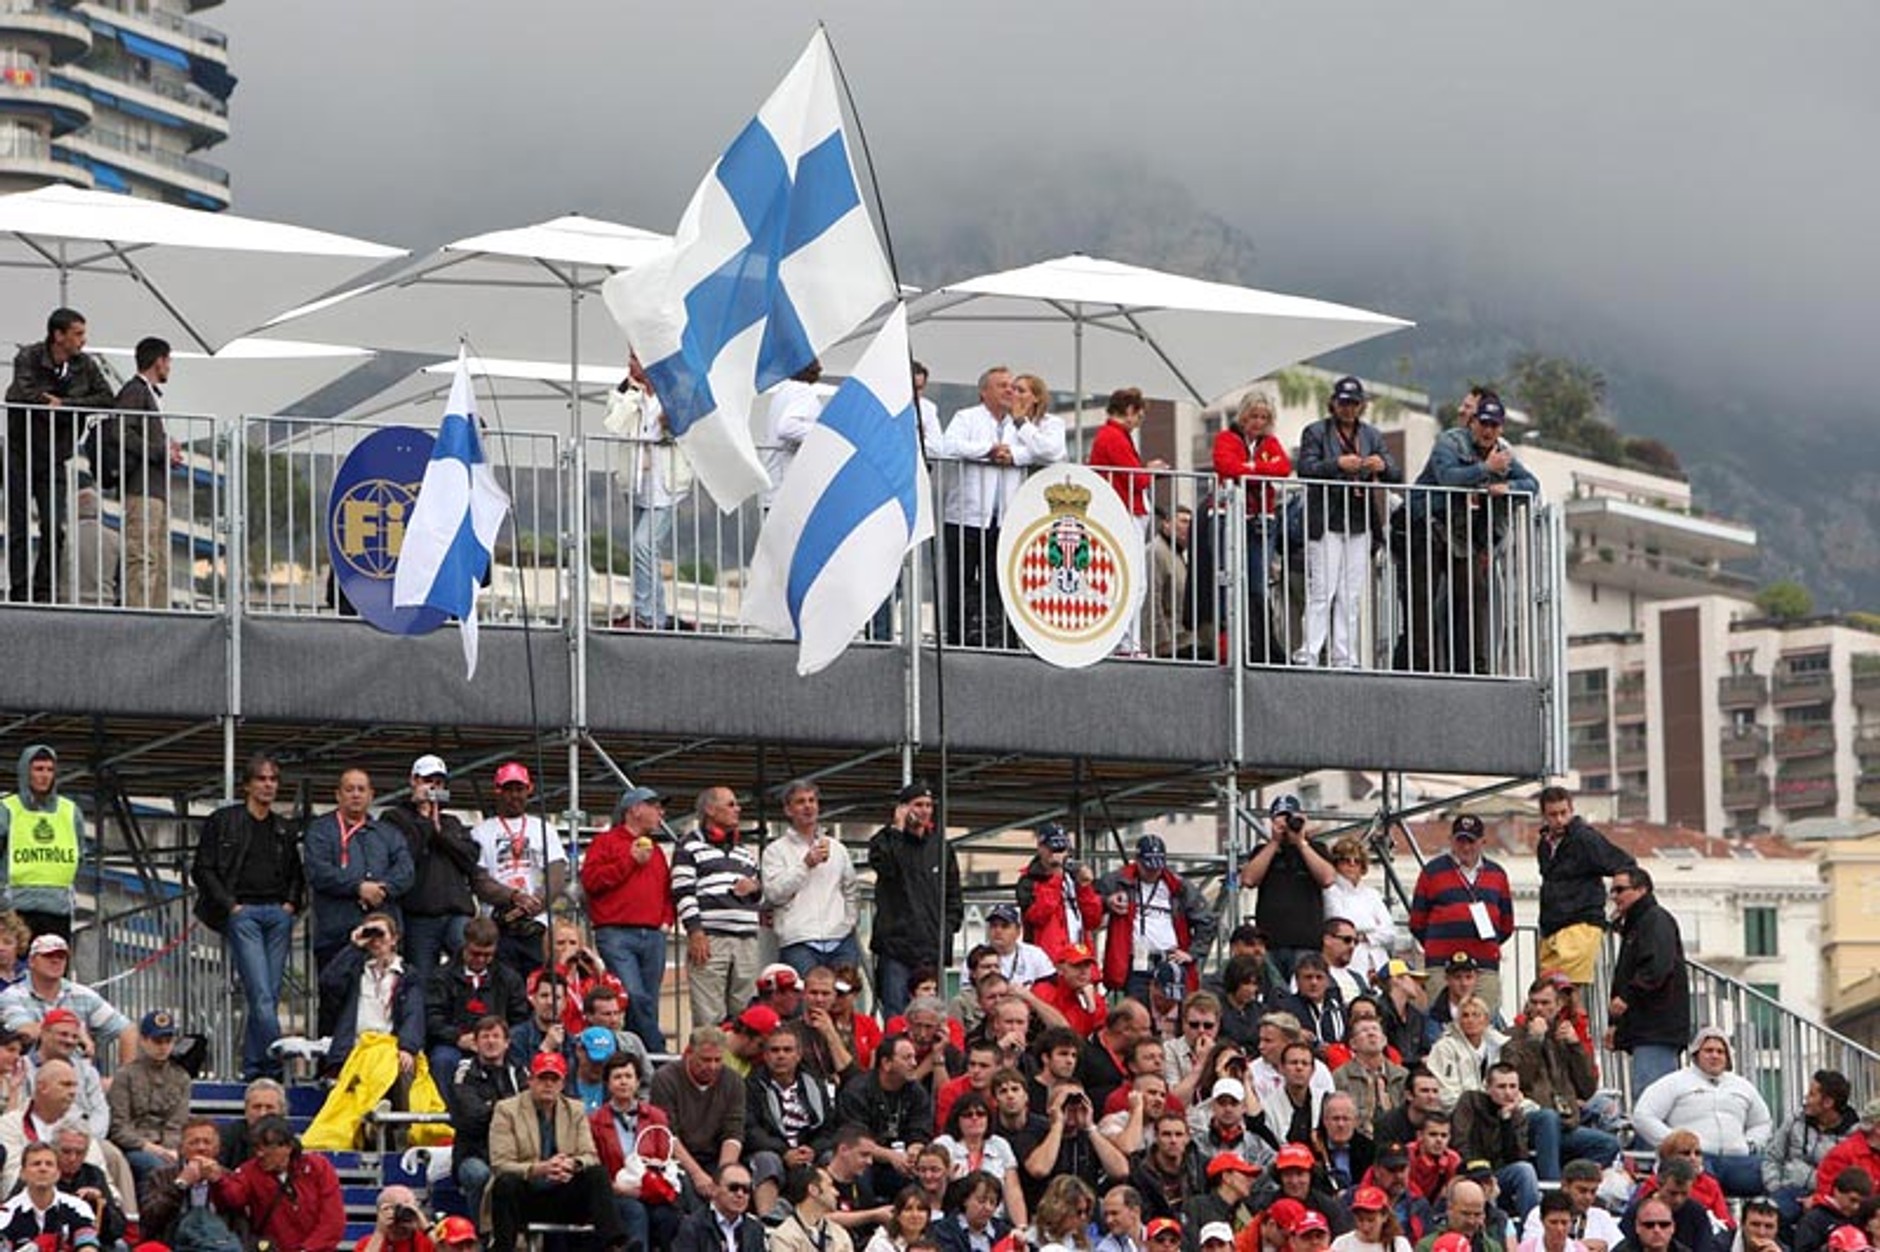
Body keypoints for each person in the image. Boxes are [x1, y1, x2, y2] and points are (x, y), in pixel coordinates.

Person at [192, 750, 304, 1081]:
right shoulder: (225, 820)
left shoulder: (284, 828)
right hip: (244, 914)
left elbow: (296, 873)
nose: (269, 786)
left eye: (273, 780)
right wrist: (230, 906)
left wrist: (291, 904)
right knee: (262, 994)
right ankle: (271, 1067)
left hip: (277, 914)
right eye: (262, 779)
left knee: (266, 995)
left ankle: (256, 1068)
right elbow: (203, 867)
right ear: (247, 785)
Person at [7, 308, 115, 604]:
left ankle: (43, 591)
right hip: (19, 452)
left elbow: (108, 397)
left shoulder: (85, 365)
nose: (83, 340)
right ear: (59, 335)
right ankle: (19, 590)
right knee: (17, 525)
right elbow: (23, 393)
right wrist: (52, 404)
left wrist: (65, 404)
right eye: (78, 333)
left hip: (55, 456)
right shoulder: (28, 357)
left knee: (54, 527)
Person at [1294, 376, 1397, 669]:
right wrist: (1337, 465)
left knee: (1350, 594)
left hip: (1359, 520)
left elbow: (1395, 473)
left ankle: (1344, 656)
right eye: (1343, 403)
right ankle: (1309, 653)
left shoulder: (1372, 435)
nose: (1348, 409)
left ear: (1361, 405)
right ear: (1333, 403)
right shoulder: (1315, 432)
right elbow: (1305, 468)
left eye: (1353, 403)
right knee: (1322, 591)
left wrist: (1382, 465)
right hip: (1326, 518)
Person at [381, 754, 513, 981]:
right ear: (414, 781)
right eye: (427, 780)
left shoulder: (452, 822)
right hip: (419, 915)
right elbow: (405, 856)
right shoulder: (394, 818)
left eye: (439, 782)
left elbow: (470, 857)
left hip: (456, 913)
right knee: (421, 979)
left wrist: (438, 830)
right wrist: (423, 819)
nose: (434, 786)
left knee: (471, 966)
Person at [304, 767, 413, 1034]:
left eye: (361, 789)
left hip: (382, 939)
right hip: (336, 935)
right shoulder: (321, 830)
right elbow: (318, 871)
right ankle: (332, 1065)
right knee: (334, 1001)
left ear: (371, 795)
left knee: (384, 1000)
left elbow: (406, 870)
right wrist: (357, 887)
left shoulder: (387, 833)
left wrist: (381, 890)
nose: (355, 795)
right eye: (349, 789)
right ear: (338, 795)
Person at [486, 1051, 621, 1252]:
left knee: (598, 1174)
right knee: (505, 1183)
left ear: (562, 1084)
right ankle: (503, 1248)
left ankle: (615, 1246)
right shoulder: (507, 1110)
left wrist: (572, 1164)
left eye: (554, 1079)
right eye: (542, 1078)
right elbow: (500, 1164)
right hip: (526, 1195)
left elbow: (590, 1155)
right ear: (530, 1080)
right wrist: (540, 1168)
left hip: (563, 1193)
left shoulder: (575, 1109)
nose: (548, 1084)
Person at [580, 784, 674, 1050]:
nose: (661, 813)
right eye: (655, 807)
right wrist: (629, 861)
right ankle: (655, 1050)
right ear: (635, 810)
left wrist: (666, 919)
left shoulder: (655, 851)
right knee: (633, 995)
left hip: (653, 933)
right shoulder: (605, 843)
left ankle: (635, 1054)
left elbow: (666, 891)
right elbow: (591, 881)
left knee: (648, 999)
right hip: (616, 932)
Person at [1632, 1028, 1772, 1197]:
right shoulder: (1675, 1081)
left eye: (1720, 1051)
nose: (1715, 1055)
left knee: (1773, 1177)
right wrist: (1675, 1143)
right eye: (1709, 1051)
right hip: (1698, 1159)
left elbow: (1762, 1122)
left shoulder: (1743, 1086)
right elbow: (1643, 1115)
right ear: (1696, 1054)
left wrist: (1751, 1144)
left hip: (1738, 1160)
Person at [1500, 978, 1617, 1180]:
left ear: (1558, 1005)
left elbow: (1587, 1088)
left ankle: (1572, 1186)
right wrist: (1534, 1041)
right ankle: (1551, 1190)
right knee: (1548, 1118)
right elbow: (1518, 1080)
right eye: (1534, 1002)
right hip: (1528, 1122)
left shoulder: (1563, 1036)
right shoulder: (1512, 1036)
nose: (1539, 1008)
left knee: (1608, 1144)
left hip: (1565, 1122)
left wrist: (1575, 1046)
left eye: (1545, 1003)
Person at [868, 782, 963, 1018]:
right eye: (918, 804)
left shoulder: (941, 847)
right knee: (896, 1013)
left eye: (928, 805)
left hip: (932, 949)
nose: (924, 810)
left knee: (932, 1015)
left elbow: (953, 893)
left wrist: (948, 927)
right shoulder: (884, 841)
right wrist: (897, 831)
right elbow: (887, 867)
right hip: (896, 949)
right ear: (903, 808)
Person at [672, 785, 764, 1028]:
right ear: (710, 810)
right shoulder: (688, 846)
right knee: (709, 1017)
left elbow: (761, 896)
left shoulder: (744, 852)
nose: (738, 809)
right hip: (711, 940)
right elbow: (682, 891)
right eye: (731, 804)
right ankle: (710, 1063)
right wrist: (695, 931)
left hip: (747, 940)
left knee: (745, 1016)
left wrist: (755, 889)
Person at [612, 352, 690, 630]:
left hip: (668, 484)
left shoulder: (675, 390)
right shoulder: (623, 391)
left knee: (643, 545)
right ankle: (655, 614)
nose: (630, 364)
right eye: (630, 357)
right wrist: (632, 393)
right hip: (636, 482)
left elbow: (688, 428)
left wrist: (674, 425)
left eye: (635, 358)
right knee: (647, 552)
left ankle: (646, 615)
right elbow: (614, 423)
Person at [940, 366, 1017, 647]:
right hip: (966, 517)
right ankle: (956, 638)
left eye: (1011, 385)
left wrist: (1014, 454)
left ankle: (997, 638)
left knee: (998, 582)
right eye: (1002, 386)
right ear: (984, 392)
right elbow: (947, 447)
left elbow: (1047, 450)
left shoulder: (1018, 425)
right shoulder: (966, 418)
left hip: (1004, 519)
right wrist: (987, 450)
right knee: (960, 580)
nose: (1009, 390)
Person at [469, 762, 568, 979]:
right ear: (498, 791)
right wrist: (513, 897)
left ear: (529, 790)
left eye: (519, 789)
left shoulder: (543, 828)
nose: (514, 796)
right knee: (502, 985)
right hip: (497, 924)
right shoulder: (481, 832)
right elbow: (479, 880)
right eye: (508, 789)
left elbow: (557, 874)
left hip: (536, 924)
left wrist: (534, 903)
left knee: (537, 984)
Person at [1409, 816, 1515, 1018]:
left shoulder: (1498, 874)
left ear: (1482, 842)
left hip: (1484, 966)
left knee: (1484, 1022)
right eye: (1461, 841)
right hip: (1441, 966)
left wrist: (1487, 945)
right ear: (1451, 841)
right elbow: (1417, 921)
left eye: (1471, 841)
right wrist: (1438, 944)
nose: (1466, 847)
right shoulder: (1432, 871)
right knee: (1442, 1023)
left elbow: (1506, 923)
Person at [103, 335, 177, 608]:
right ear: (159, 361)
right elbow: (120, 431)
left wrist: (163, 449)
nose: (169, 367)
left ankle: (155, 616)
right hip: (142, 488)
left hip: (153, 489)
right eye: (168, 361)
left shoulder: (142, 392)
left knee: (156, 560)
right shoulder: (135, 391)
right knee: (143, 558)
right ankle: (141, 617)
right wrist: (159, 451)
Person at [1605, 867, 1690, 1098]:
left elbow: (1656, 968)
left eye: (1620, 889)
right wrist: (1616, 1024)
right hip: (1649, 1028)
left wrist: (1626, 998)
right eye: (1612, 890)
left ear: (1642, 890)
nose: (1614, 896)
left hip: (1657, 1028)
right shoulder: (1641, 923)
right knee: (1648, 1098)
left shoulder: (1654, 920)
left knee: (1651, 1100)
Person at [764, 778, 863, 977]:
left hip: (840, 940)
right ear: (788, 810)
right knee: (804, 1004)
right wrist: (805, 865)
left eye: (812, 801)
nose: (808, 806)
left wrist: (848, 922)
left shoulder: (837, 848)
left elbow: (851, 889)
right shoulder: (776, 851)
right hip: (799, 941)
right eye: (800, 802)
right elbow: (774, 894)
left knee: (843, 1000)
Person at [1102, 834, 1216, 1003]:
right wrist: (1107, 902)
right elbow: (1090, 900)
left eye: (1157, 867)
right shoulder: (1119, 881)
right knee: (1138, 1016)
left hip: (1170, 961)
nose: (1153, 873)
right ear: (1137, 861)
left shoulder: (1178, 886)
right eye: (1148, 868)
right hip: (1137, 965)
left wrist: (1192, 953)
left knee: (1172, 1013)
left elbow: (1206, 919)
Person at [319, 912, 425, 1092]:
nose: (375, 940)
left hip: (388, 1049)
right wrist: (353, 947)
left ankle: (394, 1117)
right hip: (354, 1047)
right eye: (370, 934)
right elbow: (329, 983)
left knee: (404, 1069)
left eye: (380, 934)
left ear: (394, 939)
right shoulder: (355, 971)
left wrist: (407, 1047)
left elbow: (413, 1014)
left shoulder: (408, 976)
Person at [213, 1115, 345, 1252]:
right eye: (256, 1147)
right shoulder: (249, 1172)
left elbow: (333, 1220)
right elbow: (233, 1197)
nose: (260, 1154)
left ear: (288, 1146)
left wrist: (308, 1249)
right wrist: (218, 1180)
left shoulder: (318, 1167)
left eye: (267, 1147)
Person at [425, 916, 527, 1094]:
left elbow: (519, 1017)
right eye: (475, 953)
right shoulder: (442, 977)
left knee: (519, 1059)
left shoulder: (509, 979)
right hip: (456, 1043)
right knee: (442, 1061)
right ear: (464, 945)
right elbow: (433, 1016)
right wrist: (457, 1037)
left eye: (487, 955)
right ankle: (444, 1116)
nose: (480, 960)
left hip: (497, 1043)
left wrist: (500, 1040)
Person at [0, 933, 136, 1064]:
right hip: (30, 1079)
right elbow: (25, 1032)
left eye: (61, 956)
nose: (56, 960)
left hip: (79, 1078)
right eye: (48, 955)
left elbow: (129, 1030)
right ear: (32, 961)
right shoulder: (12, 995)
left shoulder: (84, 994)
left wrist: (123, 1079)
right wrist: (75, 1031)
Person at [1239, 796, 1336, 979]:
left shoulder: (1316, 848)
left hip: (1306, 942)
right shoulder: (1263, 851)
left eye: (1290, 818)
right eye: (1281, 818)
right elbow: (1249, 879)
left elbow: (1328, 878)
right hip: (1271, 943)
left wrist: (1301, 842)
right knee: (1273, 995)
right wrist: (1274, 842)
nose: (1286, 824)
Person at [589, 1053, 678, 1252]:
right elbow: (595, 1165)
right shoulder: (594, 1121)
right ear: (607, 1083)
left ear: (638, 1082)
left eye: (628, 1077)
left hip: (652, 1189)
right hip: (615, 1193)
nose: (623, 1082)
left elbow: (665, 1158)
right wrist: (619, 1189)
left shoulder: (657, 1116)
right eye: (617, 1077)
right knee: (634, 1211)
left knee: (668, 1217)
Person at [648, 1025, 747, 1201]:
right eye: (706, 1060)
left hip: (716, 1157)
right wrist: (697, 1174)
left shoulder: (733, 1081)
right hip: (677, 1159)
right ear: (689, 1054)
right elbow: (668, 1134)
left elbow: (733, 1132)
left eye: (718, 1060)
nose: (713, 1066)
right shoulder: (665, 1079)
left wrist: (723, 1176)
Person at [1, 744, 86, 940]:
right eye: (38, 769)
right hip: (15, 911)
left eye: (49, 770)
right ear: (25, 772)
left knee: (54, 967)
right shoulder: (7, 809)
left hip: (58, 910)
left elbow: (80, 856)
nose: (45, 775)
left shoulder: (71, 812)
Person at [446, 1015, 525, 1226]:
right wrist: (507, 1109)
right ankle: (482, 1235)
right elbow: (471, 1117)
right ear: (475, 1043)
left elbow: (528, 1112)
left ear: (507, 1042)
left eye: (496, 1036)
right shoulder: (464, 1072)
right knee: (478, 1175)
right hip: (473, 1153)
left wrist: (492, 1107)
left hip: (514, 1153)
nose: (491, 1041)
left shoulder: (518, 1072)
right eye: (485, 1036)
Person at [105, 1008, 190, 1186]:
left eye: (168, 1041)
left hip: (169, 1146)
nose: (163, 1047)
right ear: (143, 1041)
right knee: (155, 1166)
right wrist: (149, 1147)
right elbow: (119, 1127)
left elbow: (177, 1123)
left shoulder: (181, 1078)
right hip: (135, 1145)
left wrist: (170, 1149)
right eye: (157, 1041)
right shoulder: (125, 1076)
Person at [1765, 1071, 1857, 1229]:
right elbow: (1772, 1157)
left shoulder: (1854, 1134)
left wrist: (1819, 1198)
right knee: (1769, 1218)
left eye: (1812, 1094)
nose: (1806, 1099)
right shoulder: (1795, 1120)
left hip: (1829, 1198)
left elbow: (1853, 1181)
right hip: (1790, 1189)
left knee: (1814, 1225)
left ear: (1828, 1102)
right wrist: (1775, 1186)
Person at [1451, 1064, 1540, 1222]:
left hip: (1500, 1174)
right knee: (1486, 1181)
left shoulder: (1516, 1115)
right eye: (1501, 1086)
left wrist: (1506, 1121)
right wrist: (1482, 1172)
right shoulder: (1470, 1101)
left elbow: (1519, 1156)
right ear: (1488, 1087)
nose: (1508, 1092)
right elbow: (1460, 1141)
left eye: (1513, 1087)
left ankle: (1531, 1227)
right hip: (1469, 1171)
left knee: (1525, 1170)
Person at [138, 1116, 238, 1251]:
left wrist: (219, 1184)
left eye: (207, 1142)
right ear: (182, 1148)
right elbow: (150, 1220)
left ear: (217, 1148)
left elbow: (239, 1222)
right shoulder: (159, 1176)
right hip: (172, 1244)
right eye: (194, 1142)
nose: (201, 1148)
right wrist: (180, 1184)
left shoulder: (229, 1177)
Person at [1019, 823, 1103, 956]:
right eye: (1053, 849)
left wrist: (1085, 887)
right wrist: (1056, 877)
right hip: (1048, 960)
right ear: (1041, 848)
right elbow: (1037, 917)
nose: (1058, 854)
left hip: (1078, 956)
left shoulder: (1074, 877)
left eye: (1062, 849)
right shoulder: (1029, 880)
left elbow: (1093, 921)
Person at [0, 1140, 100, 1249]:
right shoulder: (6, 1213)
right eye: (36, 1164)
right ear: (23, 1173)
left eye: (49, 1164)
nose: (43, 1169)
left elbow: (89, 1246)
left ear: (58, 1173)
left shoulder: (78, 1207)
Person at [1324, 840, 1395, 983]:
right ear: (1336, 864)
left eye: (1357, 861)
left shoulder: (1372, 894)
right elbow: (1342, 927)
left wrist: (1364, 935)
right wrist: (1372, 926)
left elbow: (1390, 933)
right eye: (1345, 860)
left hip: (1378, 961)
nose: (1351, 864)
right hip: (1350, 960)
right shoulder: (1330, 893)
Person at [761, 359, 826, 505]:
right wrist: (823, 433)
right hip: (788, 493)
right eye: (815, 363)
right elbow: (787, 427)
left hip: (774, 488)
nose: (820, 368)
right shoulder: (803, 391)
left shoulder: (782, 392)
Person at [1427, 998, 1506, 1111]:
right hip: (1458, 1112)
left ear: (1486, 1020)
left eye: (1476, 1015)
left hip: (1491, 1108)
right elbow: (1447, 1095)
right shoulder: (1445, 1047)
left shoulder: (1497, 1045)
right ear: (1458, 1021)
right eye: (1465, 1015)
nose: (1470, 1020)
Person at [1335, 1020, 1408, 1140]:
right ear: (1353, 1044)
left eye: (1375, 1029)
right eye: (1364, 1031)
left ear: (1384, 1040)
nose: (1371, 1034)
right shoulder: (1341, 1076)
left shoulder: (1402, 1075)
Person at [672, 1160, 765, 1252]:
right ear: (714, 1189)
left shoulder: (755, 1230)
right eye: (733, 1188)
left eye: (746, 1189)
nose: (740, 1194)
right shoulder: (692, 1227)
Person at [773, 1164, 860, 1252]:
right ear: (813, 1190)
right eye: (830, 1185)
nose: (836, 1193)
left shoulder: (840, 1235)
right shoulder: (784, 1237)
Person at [1339, 1184, 1414, 1252]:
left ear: (1384, 1216)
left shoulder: (1399, 1245)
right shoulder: (1342, 1244)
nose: (1365, 1227)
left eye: (1371, 1220)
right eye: (1360, 1220)